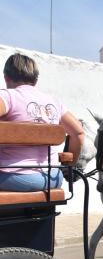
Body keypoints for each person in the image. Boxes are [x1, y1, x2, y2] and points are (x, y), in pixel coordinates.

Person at [0, 53, 84, 192]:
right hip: (54, 177)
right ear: (35, 80)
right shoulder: (54, 102)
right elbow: (79, 133)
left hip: (15, 178)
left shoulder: (7, 96)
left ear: (6, 78)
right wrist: (69, 167)